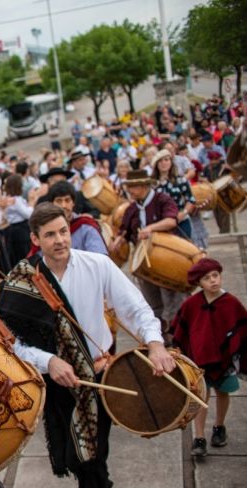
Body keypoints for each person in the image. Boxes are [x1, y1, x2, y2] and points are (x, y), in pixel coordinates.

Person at [0, 203, 176, 488]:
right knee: (78, 459)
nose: (60, 240)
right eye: (50, 235)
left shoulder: (98, 265)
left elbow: (135, 309)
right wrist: (48, 360)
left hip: (99, 376)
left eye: (63, 231)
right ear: (35, 239)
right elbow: (11, 342)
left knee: (91, 456)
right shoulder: (22, 280)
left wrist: (156, 344)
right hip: (56, 382)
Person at [170, 258, 247, 457]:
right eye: (207, 278)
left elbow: (242, 329)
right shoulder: (191, 304)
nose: (213, 281)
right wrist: (178, 351)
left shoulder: (231, 303)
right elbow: (181, 330)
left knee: (223, 392)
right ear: (198, 282)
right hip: (198, 361)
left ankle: (219, 427)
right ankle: (199, 437)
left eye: (216, 275)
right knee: (200, 397)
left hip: (225, 361)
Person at [111, 170, 184, 336]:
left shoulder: (162, 200)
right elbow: (125, 231)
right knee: (153, 305)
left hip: (166, 260)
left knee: (172, 303)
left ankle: (179, 339)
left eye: (133, 186)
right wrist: (118, 241)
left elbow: (171, 221)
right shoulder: (131, 209)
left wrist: (150, 228)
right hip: (144, 264)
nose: (130, 190)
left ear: (144, 186)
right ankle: (161, 338)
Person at [47, 181, 107, 255]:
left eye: (67, 200)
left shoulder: (86, 227)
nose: (63, 206)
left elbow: (100, 258)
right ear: (51, 204)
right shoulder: (46, 228)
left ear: (73, 203)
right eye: (59, 201)